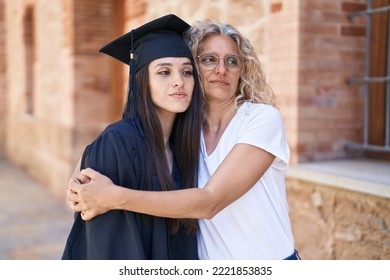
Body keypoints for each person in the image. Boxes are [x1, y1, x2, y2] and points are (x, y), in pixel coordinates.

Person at [68, 18, 299, 260]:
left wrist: (113, 197)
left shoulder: (261, 119)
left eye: (232, 61)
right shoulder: (185, 132)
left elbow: (210, 201)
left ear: (243, 70)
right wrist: (80, 179)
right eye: (209, 59)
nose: (222, 70)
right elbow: (116, 146)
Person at [62, 14, 204, 260]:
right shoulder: (118, 143)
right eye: (164, 72)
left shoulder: (184, 146)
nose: (179, 82)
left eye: (187, 72)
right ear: (142, 81)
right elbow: (105, 248)